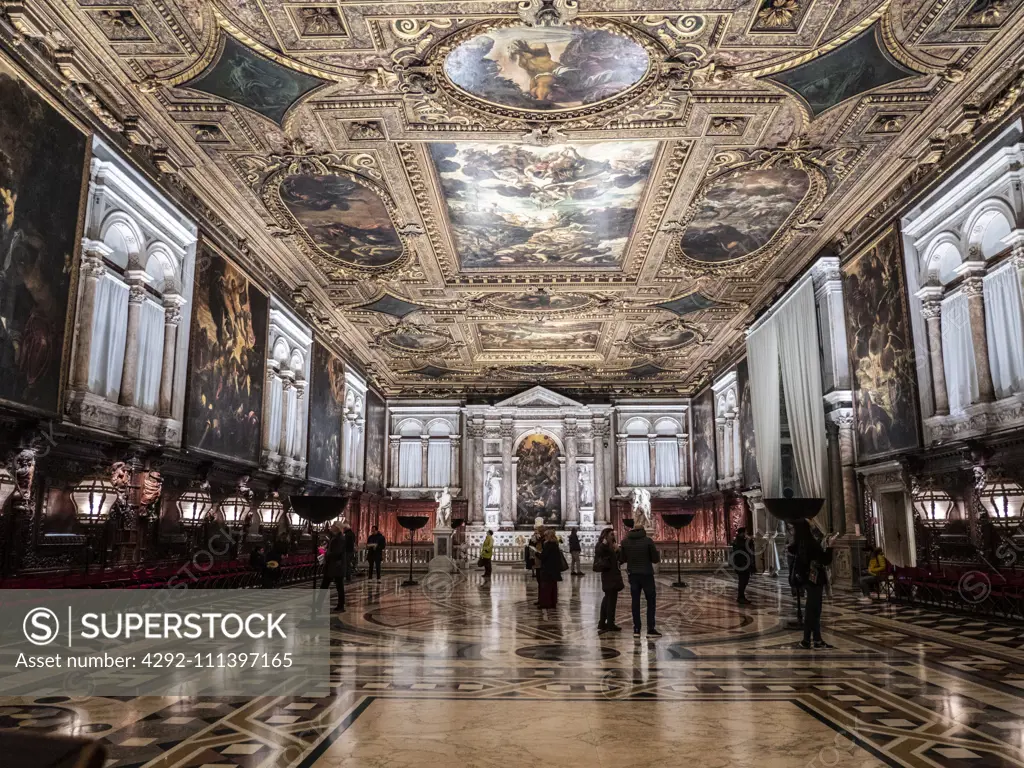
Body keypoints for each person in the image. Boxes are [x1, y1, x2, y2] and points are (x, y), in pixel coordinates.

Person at [790, 520, 835, 649]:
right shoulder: (811, 544)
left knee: (814, 610)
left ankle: (816, 639)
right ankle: (806, 640)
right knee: (813, 611)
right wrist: (830, 546)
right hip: (815, 580)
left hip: (807, 580)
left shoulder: (800, 544)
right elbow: (825, 560)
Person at [619, 524, 661, 638]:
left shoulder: (625, 542)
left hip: (633, 575)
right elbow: (655, 559)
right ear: (643, 530)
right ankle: (650, 629)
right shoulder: (648, 541)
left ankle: (636, 629)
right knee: (651, 601)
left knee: (635, 602)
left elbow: (622, 559)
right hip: (647, 575)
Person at [593, 527, 623, 632]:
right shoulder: (602, 545)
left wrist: (618, 550)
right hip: (608, 575)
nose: (613, 536)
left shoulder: (613, 546)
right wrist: (605, 544)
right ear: (605, 536)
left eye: (613, 534)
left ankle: (603, 622)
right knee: (611, 601)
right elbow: (599, 552)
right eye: (611, 535)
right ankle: (610, 623)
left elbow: (620, 560)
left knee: (608, 599)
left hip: (614, 574)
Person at [321, 522, 347, 612]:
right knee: (327, 585)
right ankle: (319, 605)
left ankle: (340, 605)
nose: (331, 527)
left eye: (333, 526)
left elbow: (337, 552)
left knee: (336, 586)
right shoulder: (335, 537)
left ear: (337, 528)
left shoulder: (339, 538)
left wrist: (327, 554)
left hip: (335, 566)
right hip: (333, 565)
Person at [537, 528, 563, 609]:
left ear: (548, 536)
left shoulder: (548, 545)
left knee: (546, 587)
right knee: (553, 587)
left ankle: (545, 603)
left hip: (547, 569)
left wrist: (537, 554)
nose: (544, 537)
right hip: (554, 569)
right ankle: (553, 602)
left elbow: (544, 556)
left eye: (545, 535)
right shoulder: (555, 544)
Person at [732, 527, 756, 605]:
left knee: (744, 581)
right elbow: (745, 547)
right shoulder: (738, 541)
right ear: (742, 533)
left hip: (744, 564)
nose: (746, 534)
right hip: (741, 565)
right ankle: (740, 597)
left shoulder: (741, 540)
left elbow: (750, 545)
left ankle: (741, 596)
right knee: (742, 581)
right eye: (745, 532)